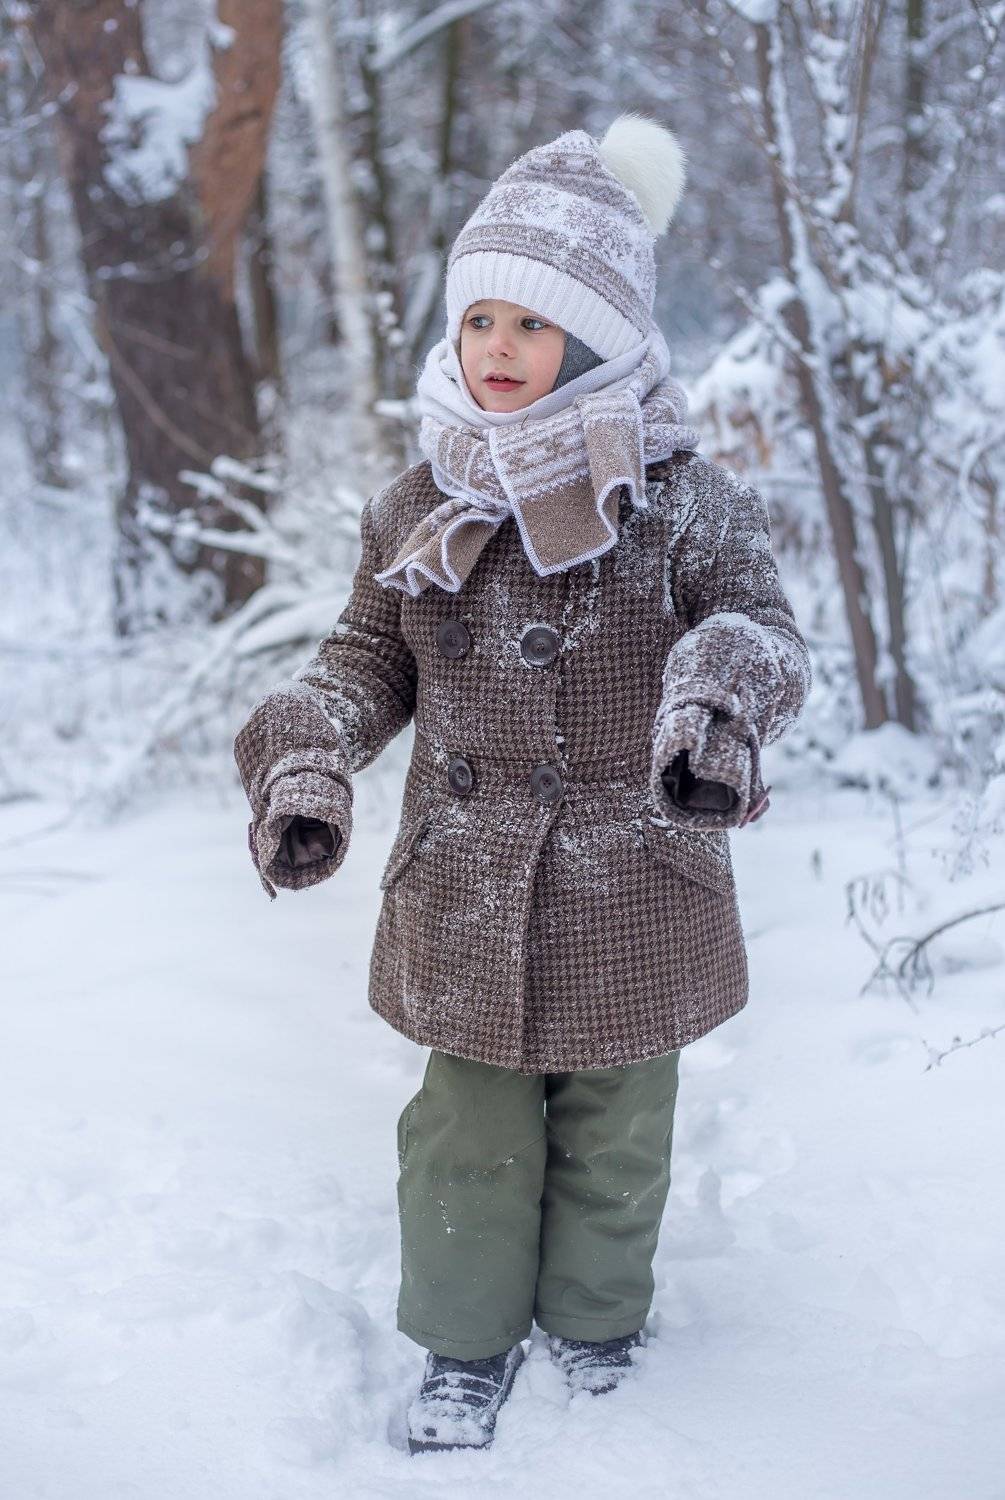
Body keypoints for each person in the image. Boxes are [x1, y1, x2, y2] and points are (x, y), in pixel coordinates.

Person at [233, 112, 812, 1456]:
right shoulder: (416, 505)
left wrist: (717, 696)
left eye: (533, 325)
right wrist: (307, 747)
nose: (497, 347)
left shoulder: (680, 502)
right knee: (465, 1135)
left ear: (598, 340)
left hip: (635, 883)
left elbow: (762, 628)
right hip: (467, 889)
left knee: (618, 1133)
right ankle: (463, 1344)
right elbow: (364, 659)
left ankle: (596, 1323)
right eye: (479, 319)